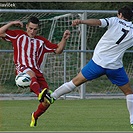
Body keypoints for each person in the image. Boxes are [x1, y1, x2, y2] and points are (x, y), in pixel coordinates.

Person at [44, 6, 133, 128]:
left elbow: (98, 22)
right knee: (129, 93)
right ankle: (132, 121)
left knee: (74, 82)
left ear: (120, 14)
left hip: (98, 63)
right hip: (115, 67)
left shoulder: (115, 20)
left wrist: (81, 21)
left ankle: (53, 96)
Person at [0, 16, 70, 127]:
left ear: (38, 29)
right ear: (26, 27)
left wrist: (64, 39)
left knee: (47, 102)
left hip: (37, 72)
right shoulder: (18, 35)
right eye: (30, 28)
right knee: (32, 76)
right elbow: (1, 32)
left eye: (35, 29)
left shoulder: (41, 41)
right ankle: (39, 93)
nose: (32, 31)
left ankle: (35, 116)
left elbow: (58, 50)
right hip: (22, 68)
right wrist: (12, 22)